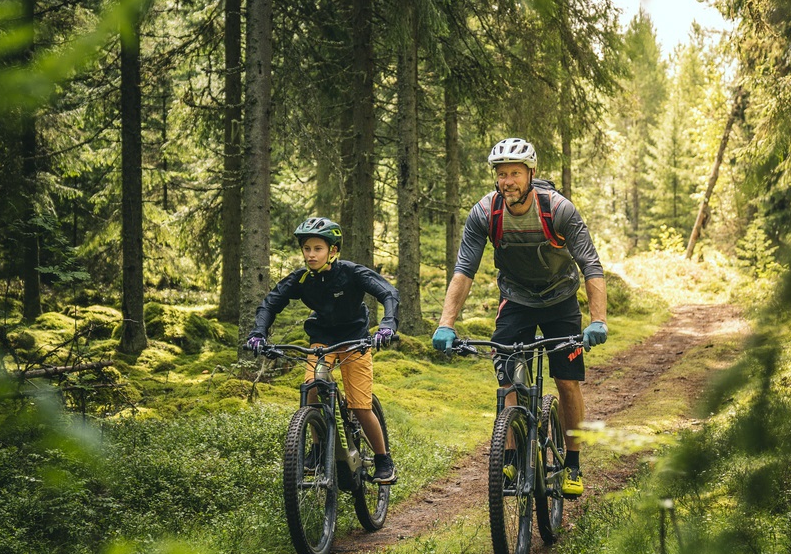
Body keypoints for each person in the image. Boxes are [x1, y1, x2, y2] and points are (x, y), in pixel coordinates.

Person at [430, 137, 611, 497]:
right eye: (502, 174)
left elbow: (591, 265)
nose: (508, 180)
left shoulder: (558, 209)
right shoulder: (485, 212)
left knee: (566, 381)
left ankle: (572, 463)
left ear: (531, 174)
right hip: (515, 299)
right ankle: (510, 456)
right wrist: (445, 323)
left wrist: (598, 319)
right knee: (508, 380)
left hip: (560, 300)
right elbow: (464, 269)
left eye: (515, 173)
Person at [245, 217, 402, 482]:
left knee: (360, 407)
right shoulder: (302, 279)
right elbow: (270, 304)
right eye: (307, 248)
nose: (311, 254)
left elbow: (388, 292)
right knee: (312, 389)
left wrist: (387, 326)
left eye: (318, 248)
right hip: (322, 340)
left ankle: (383, 459)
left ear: (333, 251)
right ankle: (318, 450)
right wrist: (258, 332)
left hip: (355, 341)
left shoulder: (353, 273)